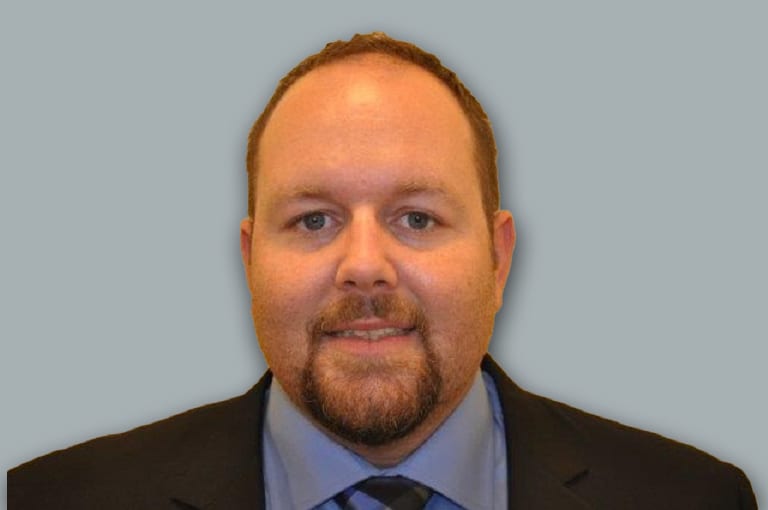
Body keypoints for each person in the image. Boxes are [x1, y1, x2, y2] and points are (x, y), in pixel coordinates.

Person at [7, 32, 757, 510]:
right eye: (314, 221)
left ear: (497, 260)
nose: (364, 267)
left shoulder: (695, 500)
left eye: (417, 219)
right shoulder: (48, 502)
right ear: (249, 262)